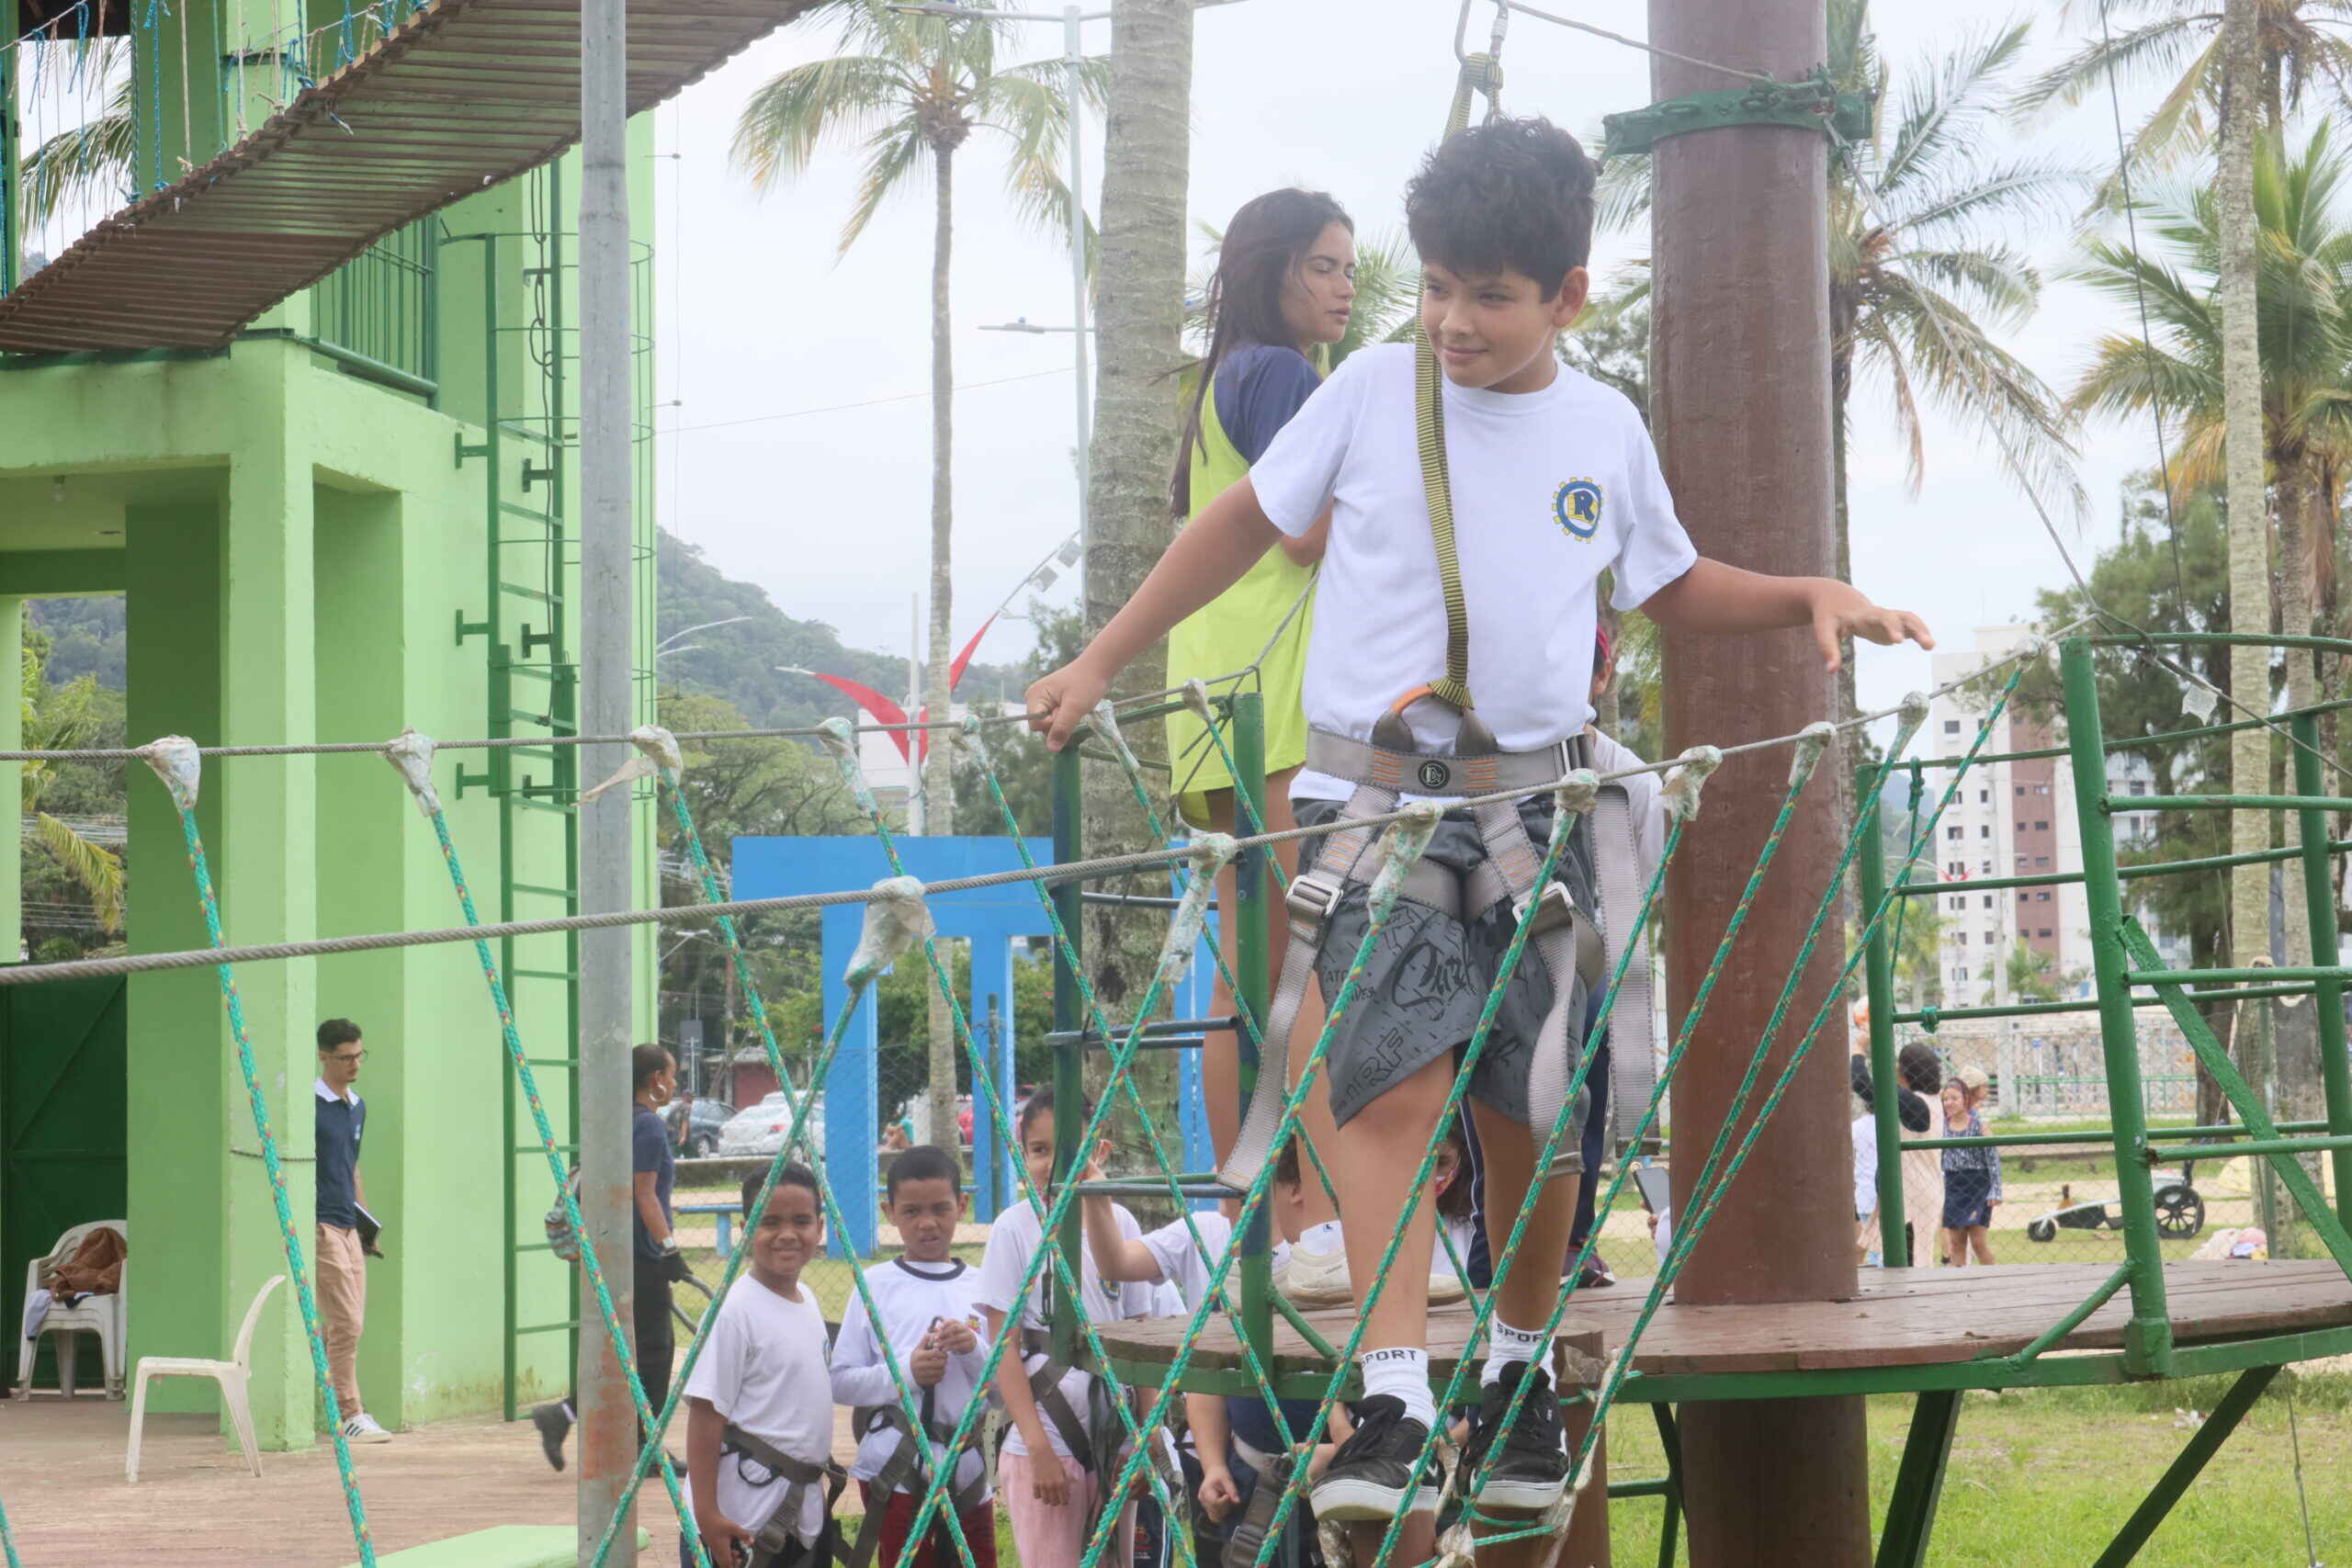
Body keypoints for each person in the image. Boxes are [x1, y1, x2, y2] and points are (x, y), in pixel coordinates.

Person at [1023, 116, 1929, 1540]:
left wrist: (1807, 589)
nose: (1453, 320)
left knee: (1539, 1099)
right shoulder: (1374, 389)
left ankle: (1515, 1368)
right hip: (1374, 794)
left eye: (1490, 296)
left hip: (1539, 796)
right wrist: (1103, 655)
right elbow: (1242, 526)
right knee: (1384, 1079)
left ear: (1568, 292)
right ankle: (1394, 1382)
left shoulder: (1601, 426)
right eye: (1437, 285)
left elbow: (1669, 579)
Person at [1161, 188, 1359, 1299]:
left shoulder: (1223, 380)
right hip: (1277, 700)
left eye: (1347, 267)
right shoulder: (1283, 375)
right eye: (1324, 265)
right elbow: (1313, 526)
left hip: (1215, 699)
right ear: (1276, 268)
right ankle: (1318, 1218)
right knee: (1309, 965)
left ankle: (1267, 1222)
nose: (1341, 285)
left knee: (1248, 976)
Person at [976, 1087, 1159, 1568]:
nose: (1054, 1165)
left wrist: (1143, 1437)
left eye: (1071, 1150)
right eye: (1040, 1150)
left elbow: (1143, 1337)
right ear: (1022, 1150)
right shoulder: (1014, 1229)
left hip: (1113, 1431)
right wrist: (1036, 1446)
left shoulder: (1120, 1224)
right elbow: (1003, 1347)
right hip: (1045, 1435)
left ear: (1100, 1150)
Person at [831, 1145, 995, 1568]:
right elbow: (842, 1380)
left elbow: (1002, 1391)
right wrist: (907, 1371)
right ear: (889, 1211)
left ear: (961, 1206)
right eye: (911, 1211)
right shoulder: (875, 1286)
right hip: (895, 1466)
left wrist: (975, 1350)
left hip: (969, 1466)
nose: (927, 1223)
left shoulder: (982, 1289)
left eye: (941, 1209)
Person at [535, 1043, 691, 1470]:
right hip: (642, 1255)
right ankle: (645, 1447)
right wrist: (669, 1248)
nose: (675, 1084)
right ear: (656, 1078)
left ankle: (564, 1414)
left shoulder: (617, 1121)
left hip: (617, 1252)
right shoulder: (650, 1128)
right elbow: (643, 1194)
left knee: (629, 1352)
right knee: (656, 1353)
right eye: (672, 1075)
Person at [681, 1166, 838, 1568]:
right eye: (769, 1222)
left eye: (801, 1221)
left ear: (820, 1227)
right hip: (741, 1521)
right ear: (745, 1228)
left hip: (796, 1516)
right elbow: (704, 1417)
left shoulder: (806, 1298)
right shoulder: (733, 1313)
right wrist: (707, 1515)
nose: (787, 1234)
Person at [314, 1019, 390, 1443]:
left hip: (348, 1226)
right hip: (319, 1224)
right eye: (345, 1058)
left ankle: (337, 1409)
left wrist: (365, 1223)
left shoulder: (356, 1106)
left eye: (359, 1055)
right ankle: (351, 1414)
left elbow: (352, 1165)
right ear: (324, 1056)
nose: (355, 1064)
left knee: (344, 1325)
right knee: (347, 1324)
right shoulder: (310, 1104)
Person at [1940, 1077, 2001, 1267]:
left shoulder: (1978, 1126)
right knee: (1956, 1244)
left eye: (1954, 1098)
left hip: (1977, 1185)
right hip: (1953, 1185)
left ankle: (1994, 1279)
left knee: (1978, 1243)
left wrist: (1995, 1190)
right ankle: (1958, 1284)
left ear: (1965, 1099)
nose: (1949, 1103)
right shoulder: (1941, 1127)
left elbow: (1993, 1160)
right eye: (1945, 1099)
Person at [1895, 1043, 1944, 1267]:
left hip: (1916, 1190)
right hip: (1923, 1186)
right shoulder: (1930, 1100)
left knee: (1912, 1260)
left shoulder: (1915, 1103)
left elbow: (1864, 1084)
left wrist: (1859, 1049)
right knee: (1916, 1255)